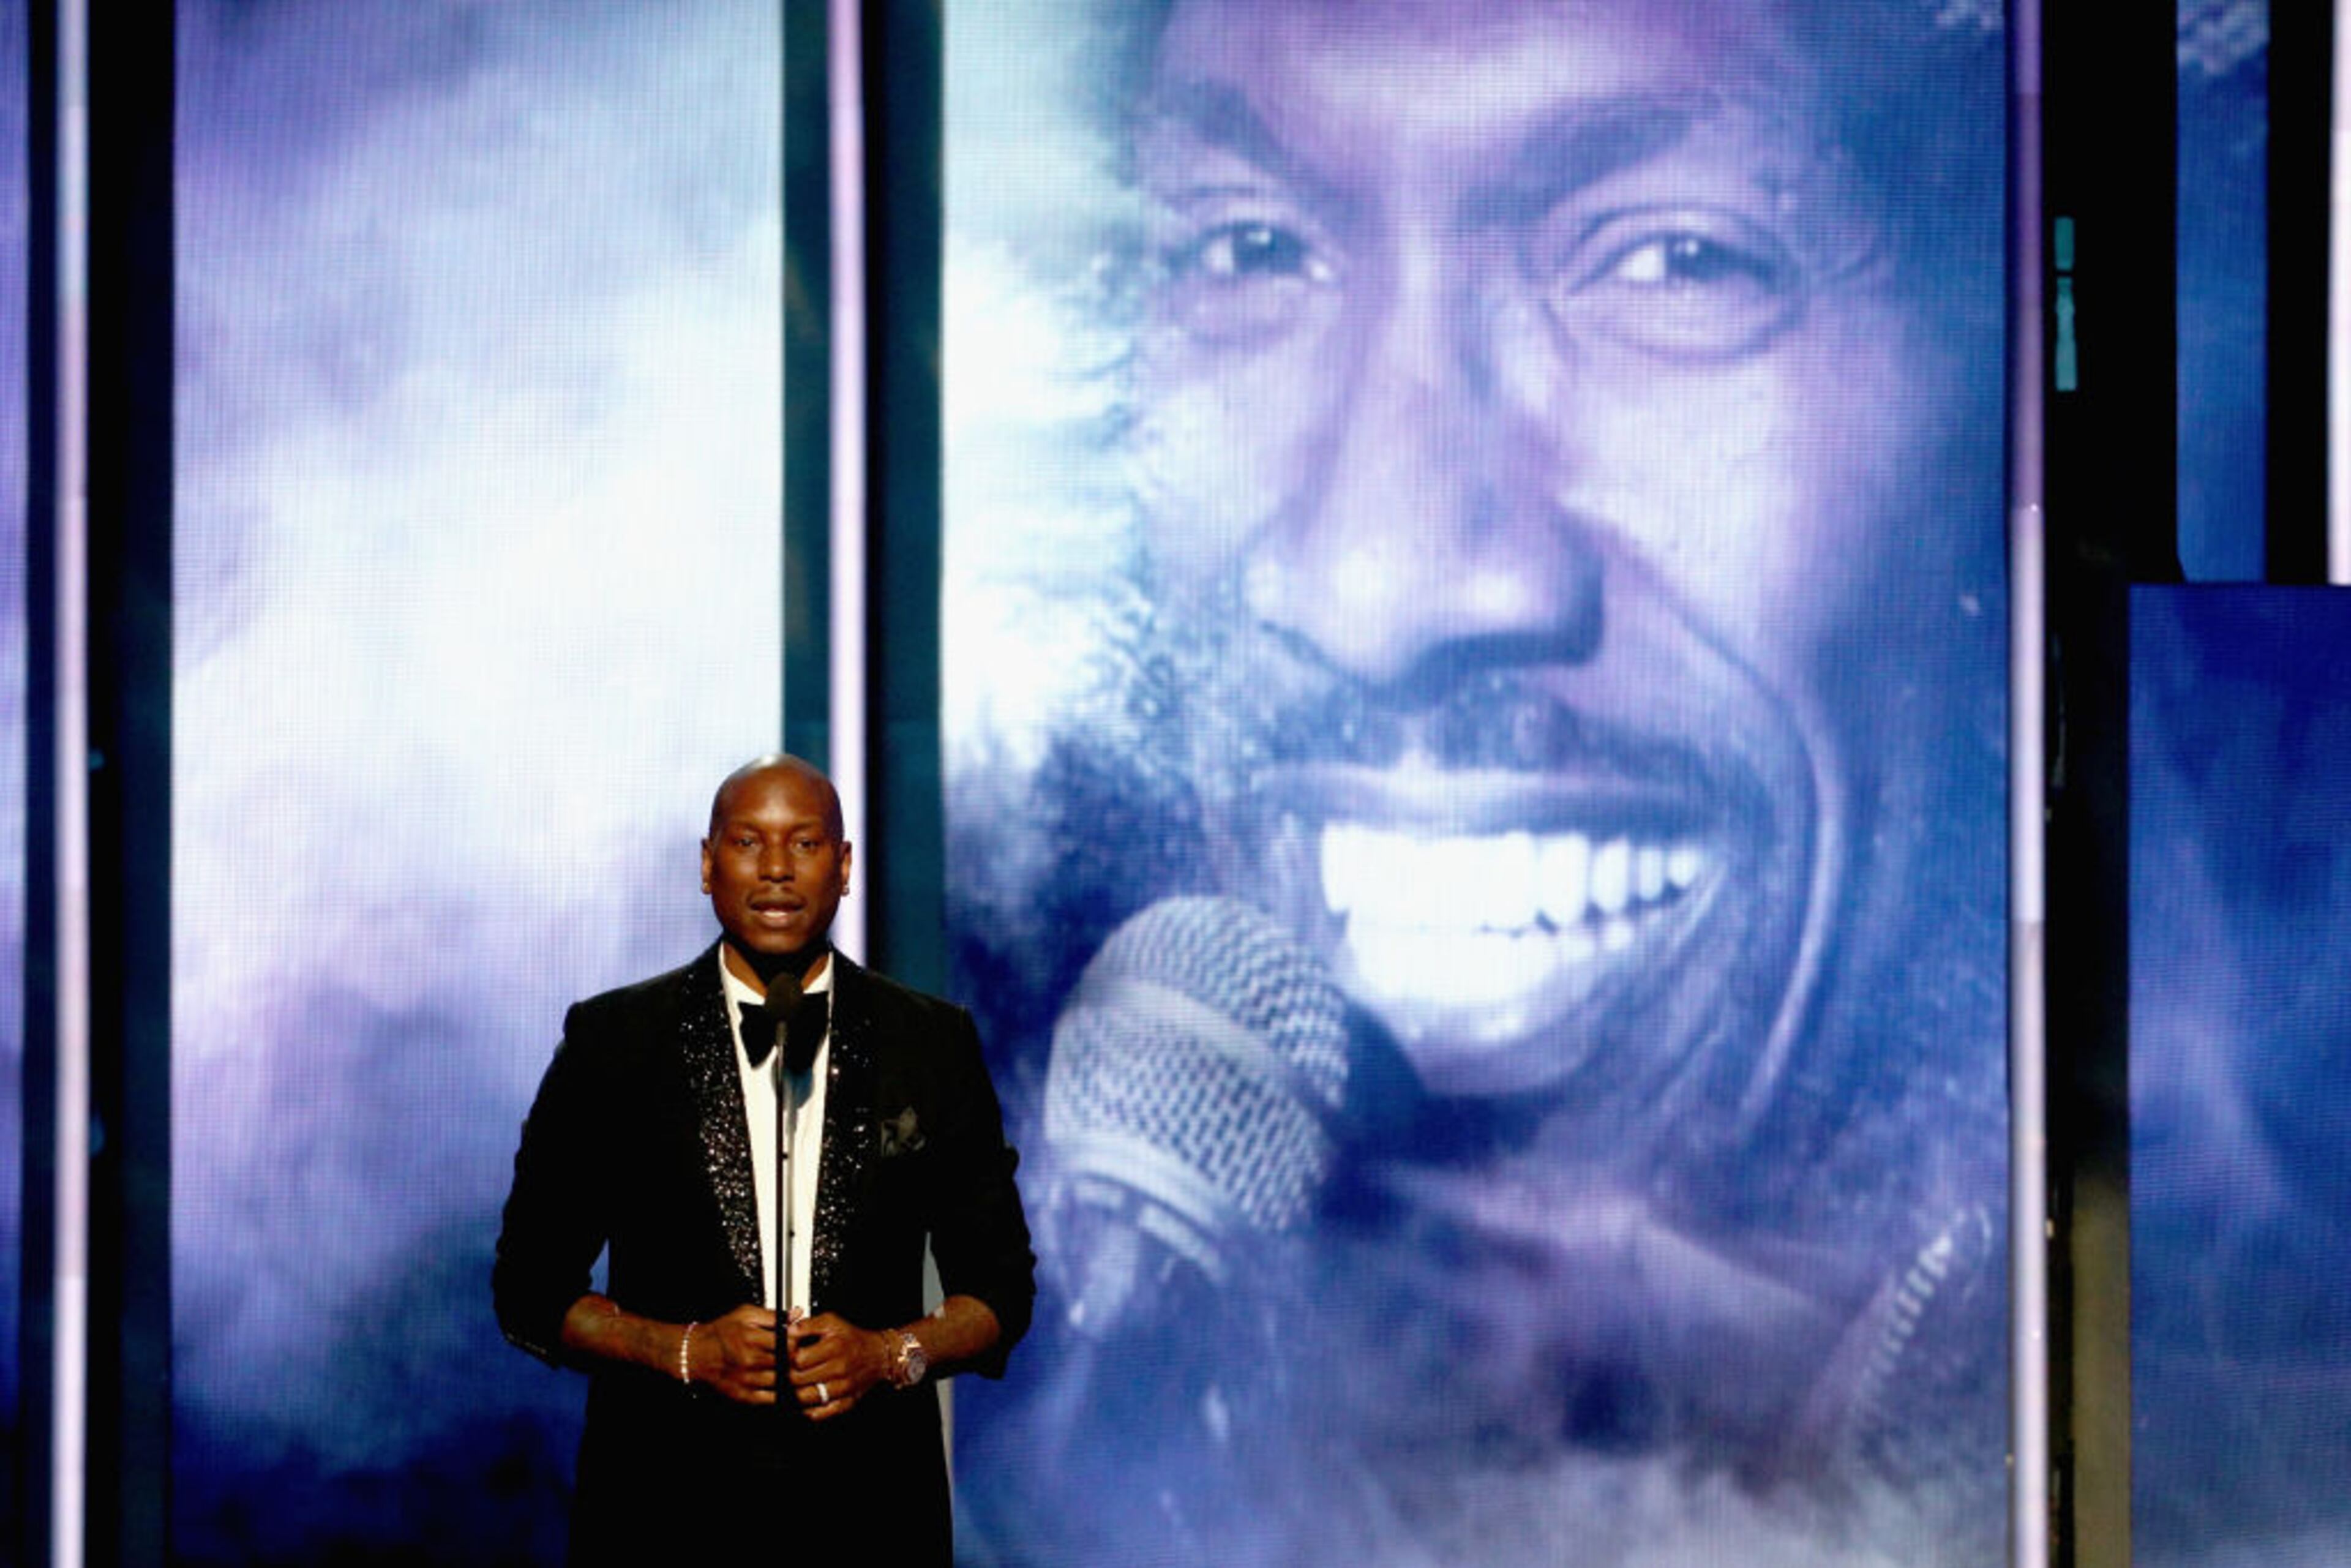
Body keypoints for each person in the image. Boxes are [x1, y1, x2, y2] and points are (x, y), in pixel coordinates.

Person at [947, 1, 2008, 1562]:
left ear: (2010, 423)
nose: (1378, 589)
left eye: (1676, 261)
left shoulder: (2243, 1386)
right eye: (1250, 252)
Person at [496, 755, 1034, 1564]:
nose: (777, 869)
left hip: (872, 1517)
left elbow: (1001, 1289)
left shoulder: (930, 1042)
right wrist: (681, 1349)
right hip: (659, 1513)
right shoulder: (613, 1042)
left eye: (805, 843)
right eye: (749, 841)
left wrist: (889, 1354)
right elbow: (528, 1287)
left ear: (844, 866)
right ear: (708, 864)